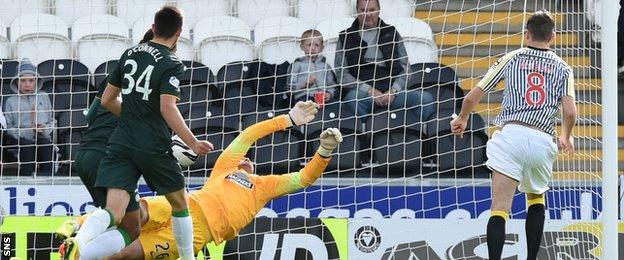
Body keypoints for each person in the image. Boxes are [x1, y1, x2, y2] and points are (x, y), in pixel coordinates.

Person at [60, 101, 341, 260]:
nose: (244, 158)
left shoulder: (264, 188)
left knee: (127, 254)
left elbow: (304, 178)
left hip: (195, 234)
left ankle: (76, 254)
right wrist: (287, 119)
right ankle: (78, 224)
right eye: (242, 156)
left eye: (247, 159)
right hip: (182, 205)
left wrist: (324, 152)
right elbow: (248, 135)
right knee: (137, 214)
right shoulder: (226, 166)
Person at [70, 6, 213, 260]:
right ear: (179, 33)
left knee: (115, 211)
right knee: (180, 205)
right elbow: (167, 107)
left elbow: (105, 101)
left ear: (154, 27)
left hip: (121, 142)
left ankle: (79, 244)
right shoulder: (172, 63)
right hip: (152, 144)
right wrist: (192, 141)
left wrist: (130, 118)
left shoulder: (128, 54)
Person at [450, 10, 577, 260]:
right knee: (536, 197)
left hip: (512, 135)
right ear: (553, 36)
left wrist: (463, 118)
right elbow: (571, 112)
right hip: (542, 138)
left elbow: (471, 97)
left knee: (500, 208)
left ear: (526, 34)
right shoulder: (563, 68)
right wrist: (566, 135)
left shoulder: (512, 58)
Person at [56, 29, 159, 240]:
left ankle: (80, 241)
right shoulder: (155, 82)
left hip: (85, 154)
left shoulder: (115, 75)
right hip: (110, 159)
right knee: (129, 228)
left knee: (120, 221)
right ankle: (80, 243)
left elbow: (90, 115)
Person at [334, 0, 434, 120]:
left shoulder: (391, 33)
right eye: (363, 10)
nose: (368, 14)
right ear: (357, 12)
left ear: (379, 11)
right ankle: (364, 136)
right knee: (352, 99)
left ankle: (415, 136)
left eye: (372, 10)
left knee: (425, 98)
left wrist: (393, 91)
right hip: (363, 94)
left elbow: (406, 70)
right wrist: (369, 90)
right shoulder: (345, 37)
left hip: (392, 92)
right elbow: (342, 75)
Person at [3, 58, 56, 176]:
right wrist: (28, 131)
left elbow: (52, 121)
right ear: (16, 81)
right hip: (21, 141)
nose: (27, 84)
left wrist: (44, 129)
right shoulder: (11, 101)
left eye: (31, 80)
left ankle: (48, 180)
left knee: (46, 146)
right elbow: (8, 127)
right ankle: (25, 180)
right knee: (28, 147)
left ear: (36, 81)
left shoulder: (44, 96)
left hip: (42, 137)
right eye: (23, 81)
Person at [287, 29, 337, 105]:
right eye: (309, 45)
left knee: (340, 107)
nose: (313, 48)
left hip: (323, 99)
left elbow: (332, 85)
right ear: (302, 47)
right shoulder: (297, 64)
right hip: (304, 98)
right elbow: (289, 89)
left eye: (316, 45)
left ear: (322, 48)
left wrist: (329, 94)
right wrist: (304, 85)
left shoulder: (326, 66)